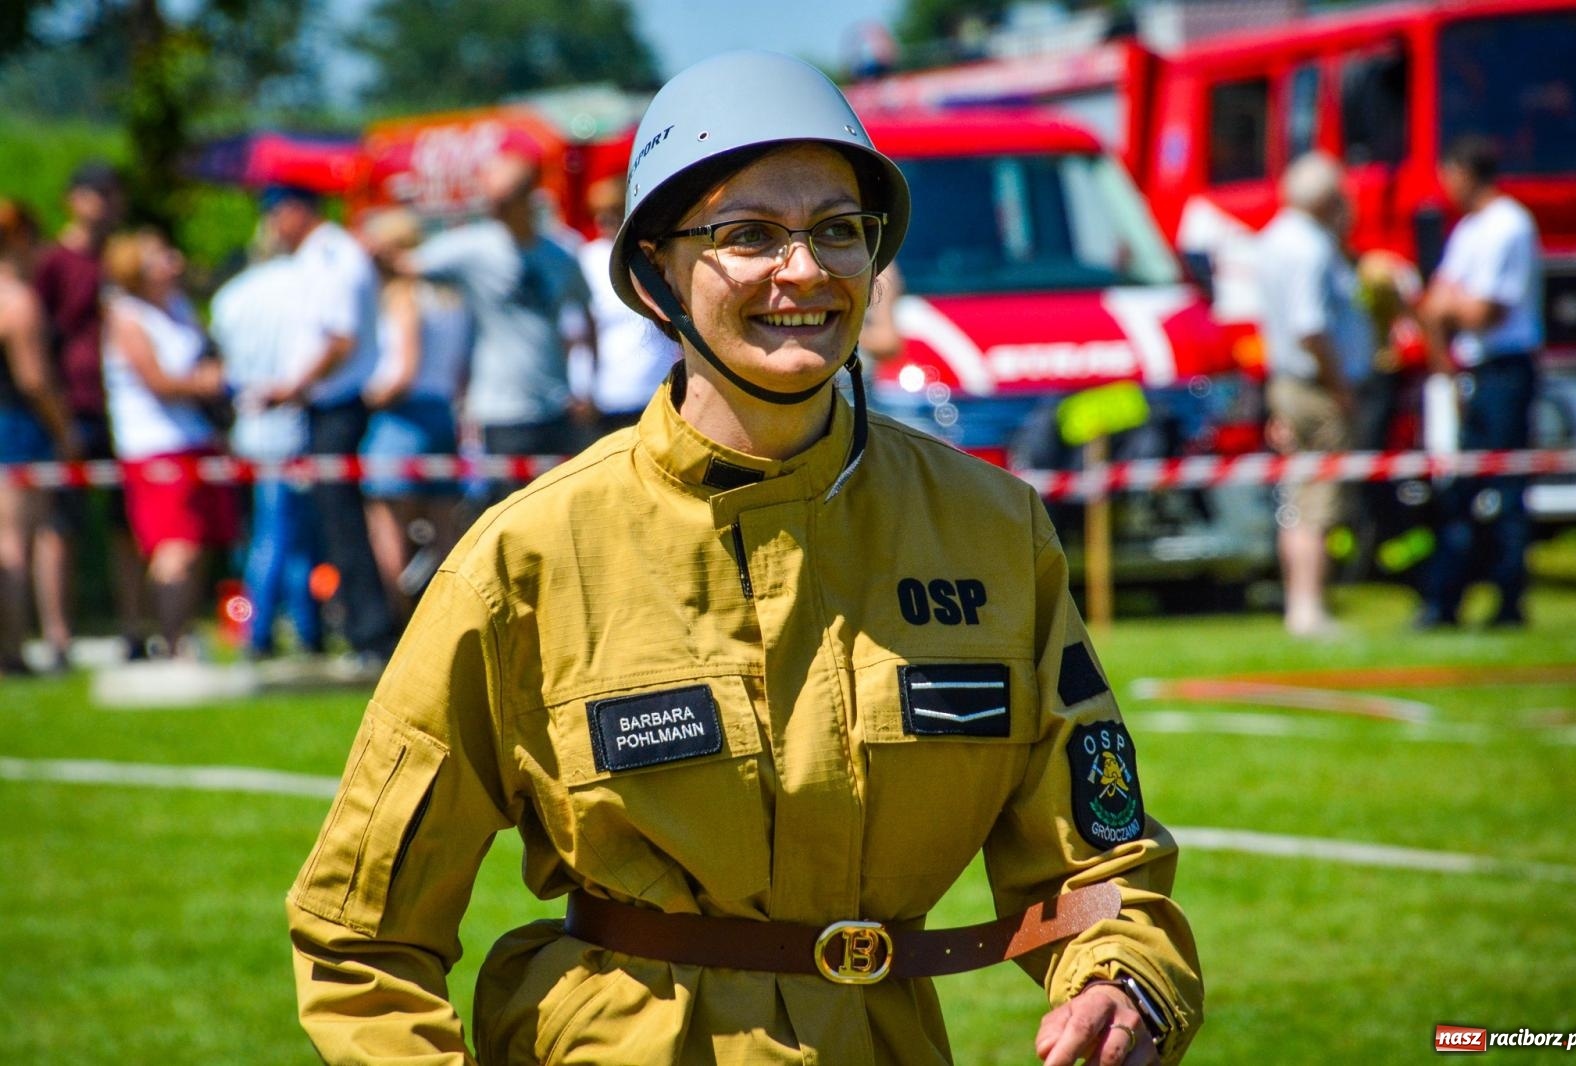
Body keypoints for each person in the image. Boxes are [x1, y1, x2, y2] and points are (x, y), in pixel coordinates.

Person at [288, 51, 1202, 1066]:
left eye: (838, 230)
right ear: (655, 275)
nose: (804, 271)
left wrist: (1121, 979)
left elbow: (1098, 866)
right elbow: (361, 939)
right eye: (749, 234)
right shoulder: (527, 558)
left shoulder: (992, 531)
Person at [403, 153, 596, 505]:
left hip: (556, 405)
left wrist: (589, 386)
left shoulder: (560, 254)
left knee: (563, 508)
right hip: (501, 410)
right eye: (492, 201)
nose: (496, 209)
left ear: (529, 197)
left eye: (505, 199)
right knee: (511, 511)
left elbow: (587, 314)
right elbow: (407, 265)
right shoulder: (472, 247)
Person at [259, 184, 396, 663]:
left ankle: (371, 633)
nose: (272, 226)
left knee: (346, 528)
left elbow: (339, 340)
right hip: (327, 407)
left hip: (339, 408)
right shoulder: (320, 256)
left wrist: (292, 387)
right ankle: (359, 629)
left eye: (275, 214)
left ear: (296, 210)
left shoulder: (332, 256)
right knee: (334, 528)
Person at [1416, 135, 1543, 629]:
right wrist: (1448, 310)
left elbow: (1485, 311)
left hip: (1507, 369)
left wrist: (1449, 307)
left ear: (1465, 172)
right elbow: (1436, 305)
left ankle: (1509, 599)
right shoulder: (1469, 229)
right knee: (1461, 488)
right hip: (1474, 369)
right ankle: (1445, 600)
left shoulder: (1509, 224)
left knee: (1507, 488)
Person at [1254, 151, 1373, 637]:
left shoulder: (1272, 239)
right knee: (1318, 502)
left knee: (1296, 498)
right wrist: (1340, 386)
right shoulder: (1311, 247)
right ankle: (1308, 608)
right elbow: (1310, 327)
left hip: (1287, 382)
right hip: (1315, 387)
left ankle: (1300, 604)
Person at [101, 229, 236, 657]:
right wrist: (205, 384)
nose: (173, 261)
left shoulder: (178, 307)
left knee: (198, 545)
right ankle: (170, 640)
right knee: (174, 546)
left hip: (196, 438)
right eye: (161, 256)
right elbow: (157, 381)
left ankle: (182, 638)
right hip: (154, 444)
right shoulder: (127, 316)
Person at [31, 160, 144, 666]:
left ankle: (134, 627)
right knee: (61, 524)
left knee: (128, 523)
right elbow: (39, 340)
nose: (107, 203)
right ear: (74, 198)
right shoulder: (53, 262)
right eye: (97, 193)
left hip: (123, 408)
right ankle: (58, 634)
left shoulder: (120, 257)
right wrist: (55, 412)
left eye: (113, 193)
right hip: (72, 405)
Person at [358, 207, 472, 621]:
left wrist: (367, 397)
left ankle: (400, 621)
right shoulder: (450, 297)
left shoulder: (405, 296)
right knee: (444, 528)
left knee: (387, 525)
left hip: (402, 417)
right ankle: (449, 619)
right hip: (442, 413)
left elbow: (404, 369)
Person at [211, 246, 323, 659]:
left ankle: (295, 627)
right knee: (281, 535)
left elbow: (224, 363)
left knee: (275, 533)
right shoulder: (304, 286)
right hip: (289, 424)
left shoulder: (230, 296)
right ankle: (266, 631)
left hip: (250, 426)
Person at [0, 199, 79, 676]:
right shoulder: (18, 301)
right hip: (16, 426)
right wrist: (64, 429)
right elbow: (33, 380)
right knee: (14, 542)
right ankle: (13, 648)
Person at [570, 174, 682, 438]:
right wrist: (582, 389)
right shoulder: (586, 260)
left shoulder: (657, 254)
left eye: (613, 211)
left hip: (659, 393)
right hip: (606, 399)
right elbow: (578, 332)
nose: (603, 220)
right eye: (597, 213)